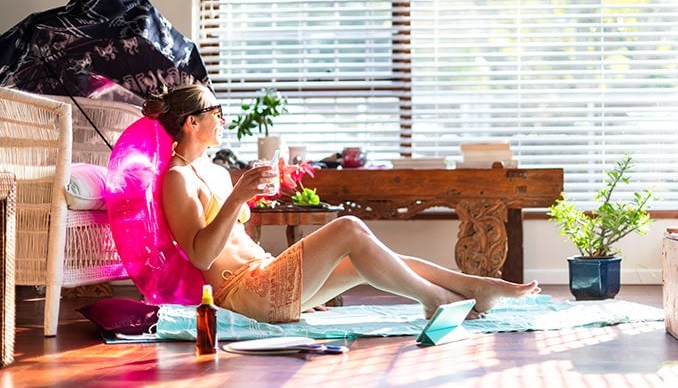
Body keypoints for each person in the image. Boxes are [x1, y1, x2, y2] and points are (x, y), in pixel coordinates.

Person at [143, 83, 541, 324]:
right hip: (244, 293)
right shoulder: (176, 180)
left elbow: (241, 242)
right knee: (349, 227)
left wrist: (298, 282)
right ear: (192, 123)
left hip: (264, 275)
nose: (224, 119)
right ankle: (434, 299)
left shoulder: (213, 170)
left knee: (369, 260)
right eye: (217, 112)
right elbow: (201, 257)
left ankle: (471, 287)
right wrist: (239, 197)